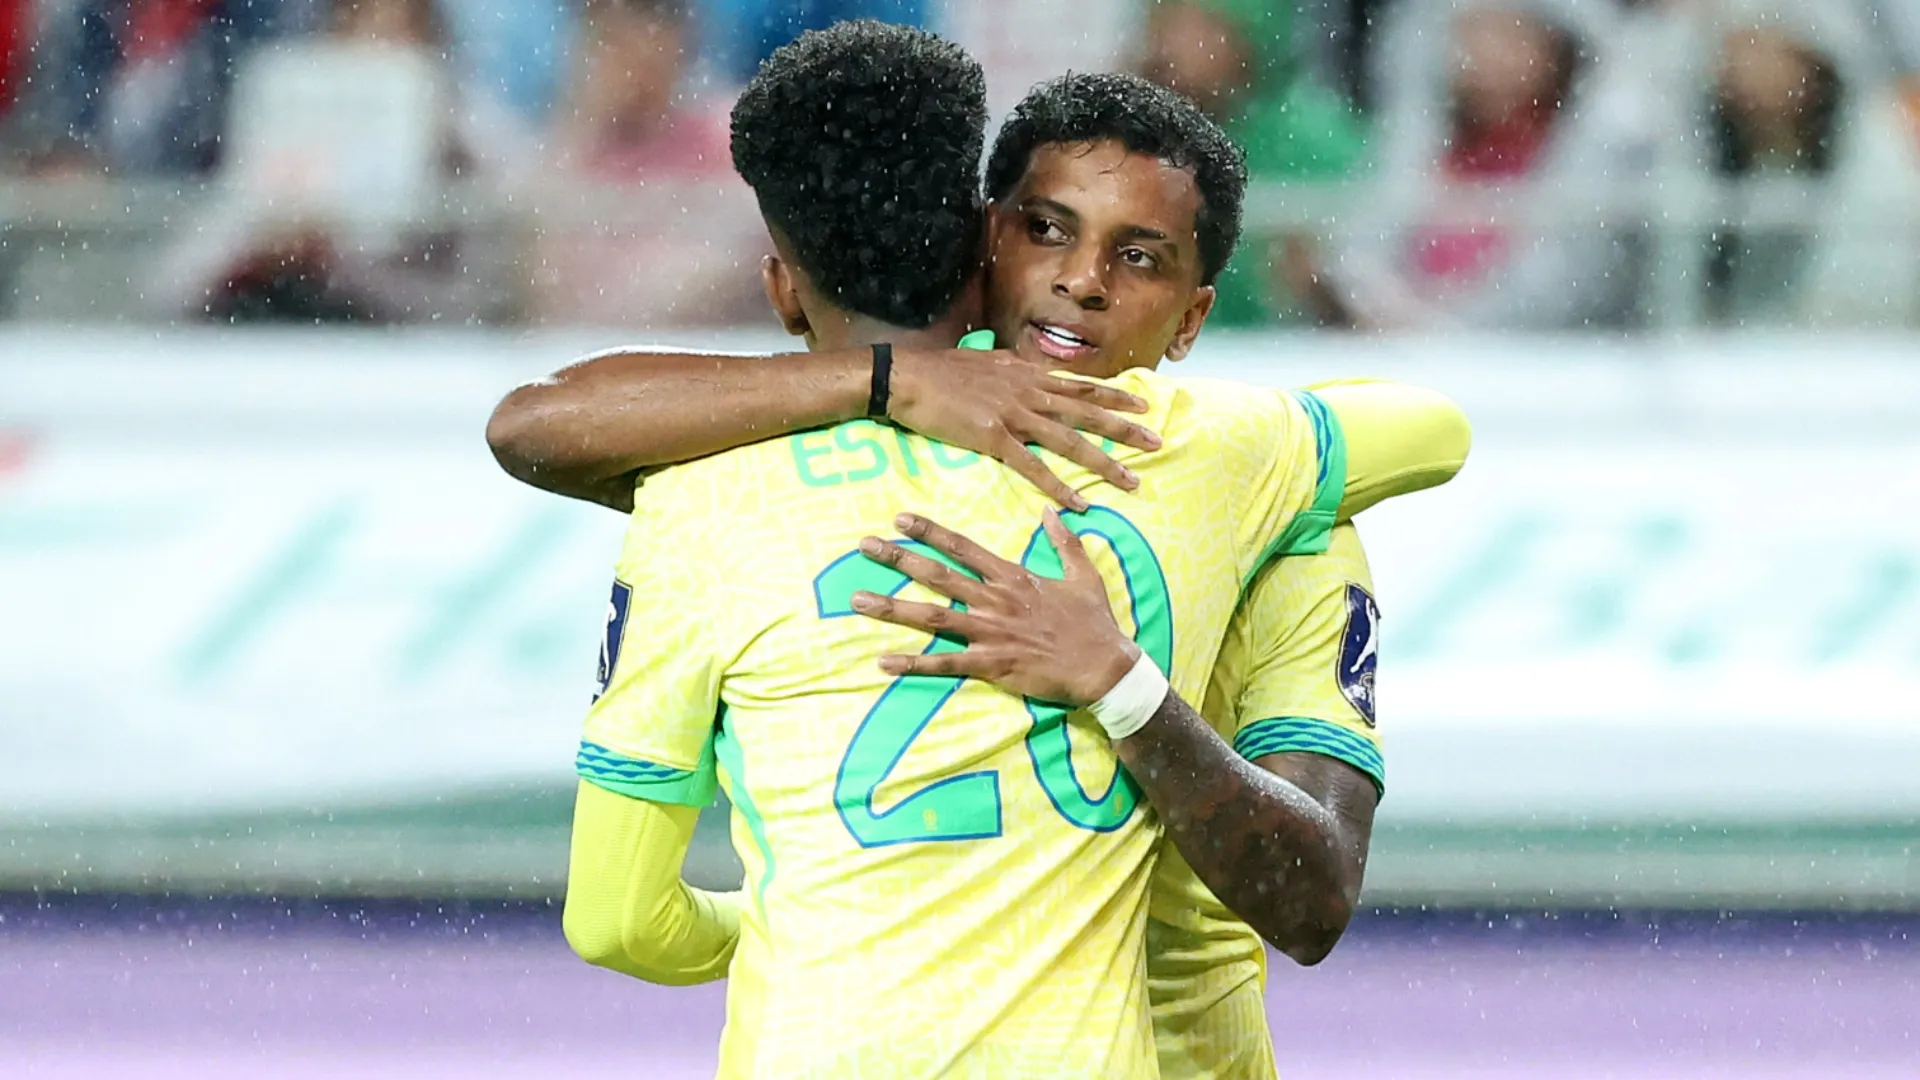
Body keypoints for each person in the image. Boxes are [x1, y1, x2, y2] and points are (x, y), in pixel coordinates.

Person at [493, 53, 1467, 1080]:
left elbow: (616, 922)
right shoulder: (1233, 458)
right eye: (1047, 229)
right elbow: (1436, 429)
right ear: (986, 240)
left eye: (1138, 259)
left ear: (1193, 315)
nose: (1081, 281)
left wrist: (830, 929)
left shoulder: (707, 487)